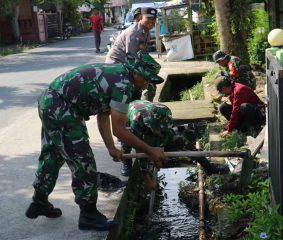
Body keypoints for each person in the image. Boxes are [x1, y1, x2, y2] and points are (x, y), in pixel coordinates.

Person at [25, 50, 165, 231]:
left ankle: (39, 201)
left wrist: (110, 148)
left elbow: (103, 115)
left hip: (51, 101)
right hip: (62, 108)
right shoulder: (124, 85)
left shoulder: (119, 74)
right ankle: (88, 215)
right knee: (83, 161)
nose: (146, 85)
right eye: (145, 79)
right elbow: (120, 130)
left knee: (53, 154)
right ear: (136, 73)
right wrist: (150, 150)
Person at [124, 100, 229, 187]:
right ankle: (126, 162)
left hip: (150, 119)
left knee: (181, 141)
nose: (159, 132)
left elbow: (165, 135)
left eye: (161, 129)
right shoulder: (136, 122)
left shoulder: (163, 115)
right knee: (127, 141)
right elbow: (140, 149)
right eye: (157, 129)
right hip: (129, 119)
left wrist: (159, 153)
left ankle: (209, 167)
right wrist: (147, 179)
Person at [105, 7, 158, 176]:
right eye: (148, 18)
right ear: (139, 18)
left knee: (145, 96)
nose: (151, 22)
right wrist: (137, 83)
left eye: (153, 20)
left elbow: (142, 57)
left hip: (129, 71)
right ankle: (126, 161)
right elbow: (131, 60)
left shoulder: (145, 31)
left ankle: (141, 125)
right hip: (118, 72)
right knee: (124, 119)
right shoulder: (134, 33)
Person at [215, 71, 265, 138]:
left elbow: (236, 111)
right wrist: (229, 127)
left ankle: (255, 129)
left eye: (221, 92)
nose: (222, 94)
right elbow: (234, 109)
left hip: (258, 114)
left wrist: (229, 130)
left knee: (244, 106)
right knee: (223, 107)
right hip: (247, 114)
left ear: (224, 88)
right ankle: (242, 129)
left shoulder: (239, 90)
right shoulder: (232, 89)